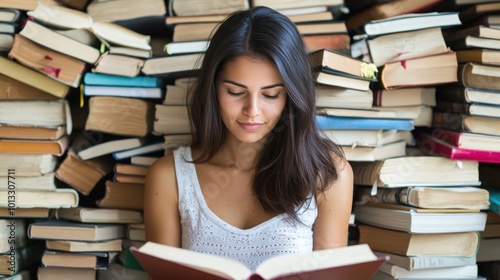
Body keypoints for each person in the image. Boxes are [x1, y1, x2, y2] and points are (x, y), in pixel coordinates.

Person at [144, 6, 353, 271]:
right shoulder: (170, 177)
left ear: (291, 96)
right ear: (213, 89)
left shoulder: (328, 176)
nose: (252, 111)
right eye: (235, 91)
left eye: (270, 95)